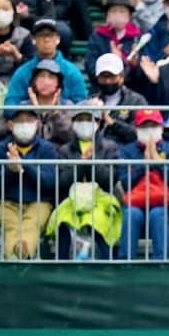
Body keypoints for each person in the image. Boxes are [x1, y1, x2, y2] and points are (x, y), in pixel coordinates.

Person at [48, 100, 123, 259]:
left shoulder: (110, 147)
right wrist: (81, 163)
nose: (84, 124)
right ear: (73, 123)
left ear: (97, 122)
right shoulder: (64, 150)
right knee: (63, 219)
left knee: (98, 219)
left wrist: (92, 162)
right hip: (71, 200)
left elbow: (109, 179)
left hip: (102, 199)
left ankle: (108, 266)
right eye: (80, 120)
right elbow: (62, 180)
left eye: (89, 120)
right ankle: (62, 268)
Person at [0, 107, 60, 260]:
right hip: (5, 202)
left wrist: (23, 165)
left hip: (38, 203)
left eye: (29, 120)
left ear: (37, 124)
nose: (25, 124)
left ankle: (17, 256)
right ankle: (19, 256)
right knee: (11, 226)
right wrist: (11, 170)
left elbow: (50, 182)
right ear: (10, 125)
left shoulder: (47, 149)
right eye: (20, 121)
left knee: (31, 225)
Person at [117, 109, 169, 261]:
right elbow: (126, 183)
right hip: (136, 201)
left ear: (161, 127)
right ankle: (125, 263)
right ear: (136, 129)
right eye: (144, 127)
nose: (149, 130)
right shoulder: (127, 151)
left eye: (153, 126)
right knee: (131, 214)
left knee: (158, 214)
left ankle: (161, 263)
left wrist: (158, 162)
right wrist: (144, 164)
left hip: (162, 201)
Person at [5, 18, 89, 107]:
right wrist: (30, 109)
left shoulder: (72, 72)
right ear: (33, 39)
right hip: (29, 120)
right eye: (41, 35)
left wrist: (60, 109)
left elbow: (81, 105)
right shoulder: (22, 72)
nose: (46, 39)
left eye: (51, 35)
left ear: (58, 39)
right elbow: (10, 105)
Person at [84, 0, 141, 85]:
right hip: (102, 86)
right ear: (107, 16)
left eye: (122, 11)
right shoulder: (98, 37)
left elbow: (141, 75)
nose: (118, 15)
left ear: (129, 16)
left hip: (131, 89)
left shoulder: (138, 38)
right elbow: (91, 66)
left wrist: (131, 64)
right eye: (113, 11)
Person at [91, 52, 148, 146]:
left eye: (112, 76)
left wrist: (111, 121)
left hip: (125, 154)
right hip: (96, 152)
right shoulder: (91, 100)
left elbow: (139, 134)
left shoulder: (136, 101)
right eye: (103, 77)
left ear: (121, 77)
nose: (107, 81)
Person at [24, 58, 75, 145]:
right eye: (41, 76)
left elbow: (69, 138)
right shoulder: (24, 106)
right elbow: (24, 138)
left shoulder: (67, 105)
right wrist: (36, 110)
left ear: (58, 83)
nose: (46, 82)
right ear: (34, 81)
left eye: (51, 77)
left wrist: (56, 113)